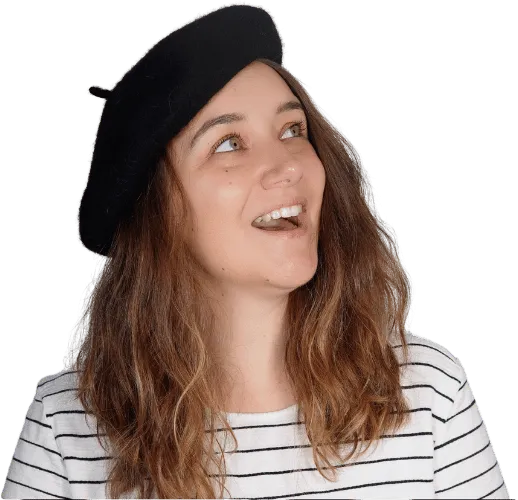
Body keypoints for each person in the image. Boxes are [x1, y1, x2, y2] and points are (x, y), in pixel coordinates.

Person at [2, 4, 510, 500]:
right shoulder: (64, 431)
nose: (289, 165)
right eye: (228, 143)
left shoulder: (429, 394)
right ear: (157, 211)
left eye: (292, 130)